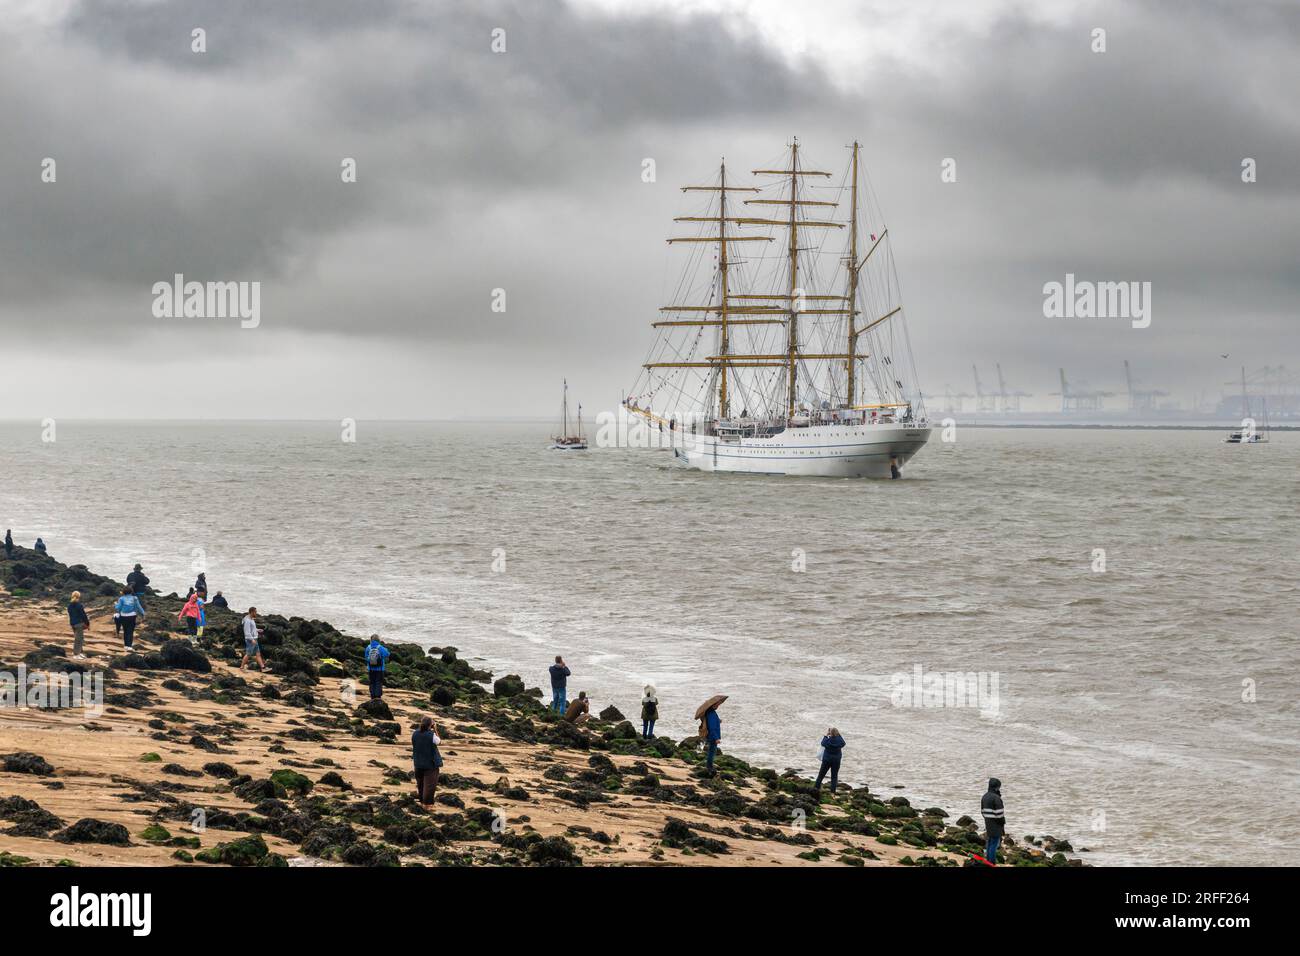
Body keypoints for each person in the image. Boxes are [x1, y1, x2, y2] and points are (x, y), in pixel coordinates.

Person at [411, 716, 444, 809]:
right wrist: (435, 729)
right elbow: (439, 742)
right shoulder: (431, 735)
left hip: (418, 762)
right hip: (430, 764)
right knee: (430, 785)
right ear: (431, 725)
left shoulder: (415, 733)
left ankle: (422, 802)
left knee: (420, 784)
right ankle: (427, 804)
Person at [981, 777, 1006, 865]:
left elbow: (982, 812)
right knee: (994, 844)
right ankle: (991, 862)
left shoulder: (984, 796)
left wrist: (988, 819)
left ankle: (988, 860)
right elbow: (1000, 814)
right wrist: (1002, 823)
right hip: (996, 824)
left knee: (990, 842)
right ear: (997, 787)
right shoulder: (996, 798)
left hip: (988, 822)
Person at [814, 727, 846, 794]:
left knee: (821, 775)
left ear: (830, 733)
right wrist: (839, 735)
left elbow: (822, 743)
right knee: (834, 777)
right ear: (837, 733)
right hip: (836, 761)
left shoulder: (827, 741)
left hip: (826, 760)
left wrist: (826, 735)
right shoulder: (839, 741)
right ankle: (832, 793)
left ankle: (815, 789)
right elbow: (844, 743)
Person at [240, 607, 268, 672]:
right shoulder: (247, 621)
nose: (256, 613)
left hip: (254, 639)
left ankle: (263, 668)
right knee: (248, 654)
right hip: (250, 640)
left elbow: (252, 629)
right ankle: (241, 667)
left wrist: (258, 630)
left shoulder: (251, 619)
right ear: (252, 612)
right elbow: (247, 632)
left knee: (258, 654)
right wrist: (252, 640)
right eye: (255, 612)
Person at [67, 590, 91, 660]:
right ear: (79, 597)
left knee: (79, 638)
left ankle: (79, 653)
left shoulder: (69, 606)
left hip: (73, 624)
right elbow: (83, 615)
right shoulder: (79, 605)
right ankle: (76, 654)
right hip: (79, 624)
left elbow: (71, 615)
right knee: (78, 639)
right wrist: (87, 623)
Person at [703, 704, 722, 775]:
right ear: (712, 705)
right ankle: (709, 767)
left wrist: (718, 721)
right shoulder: (711, 713)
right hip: (712, 736)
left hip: (711, 736)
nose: (718, 706)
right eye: (716, 705)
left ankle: (709, 766)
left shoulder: (710, 712)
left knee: (712, 751)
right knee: (712, 752)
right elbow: (712, 728)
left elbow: (712, 723)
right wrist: (716, 738)